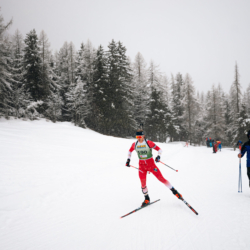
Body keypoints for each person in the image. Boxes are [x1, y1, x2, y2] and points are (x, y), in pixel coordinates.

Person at [125, 129, 183, 207]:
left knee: (161, 179)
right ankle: (147, 199)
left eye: (140, 136)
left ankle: (175, 192)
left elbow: (159, 149)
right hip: (142, 167)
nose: (138, 138)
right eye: (137, 136)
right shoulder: (134, 144)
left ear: (143, 136)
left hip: (151, 165)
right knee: (143, 184)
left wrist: (158, 156)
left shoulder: (149, 143)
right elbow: (129, 151)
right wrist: (128, 160)